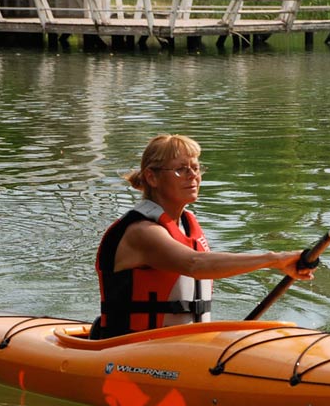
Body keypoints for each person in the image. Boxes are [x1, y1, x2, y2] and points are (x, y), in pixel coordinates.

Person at [92, 134, 317, 339]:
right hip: (130, 348)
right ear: (152, 177)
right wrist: (274, 260)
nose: (193, 176)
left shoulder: (186, 225)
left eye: (196, 168)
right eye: (181, 169)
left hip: (182, 346)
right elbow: (195, 264)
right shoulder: (142, 232)